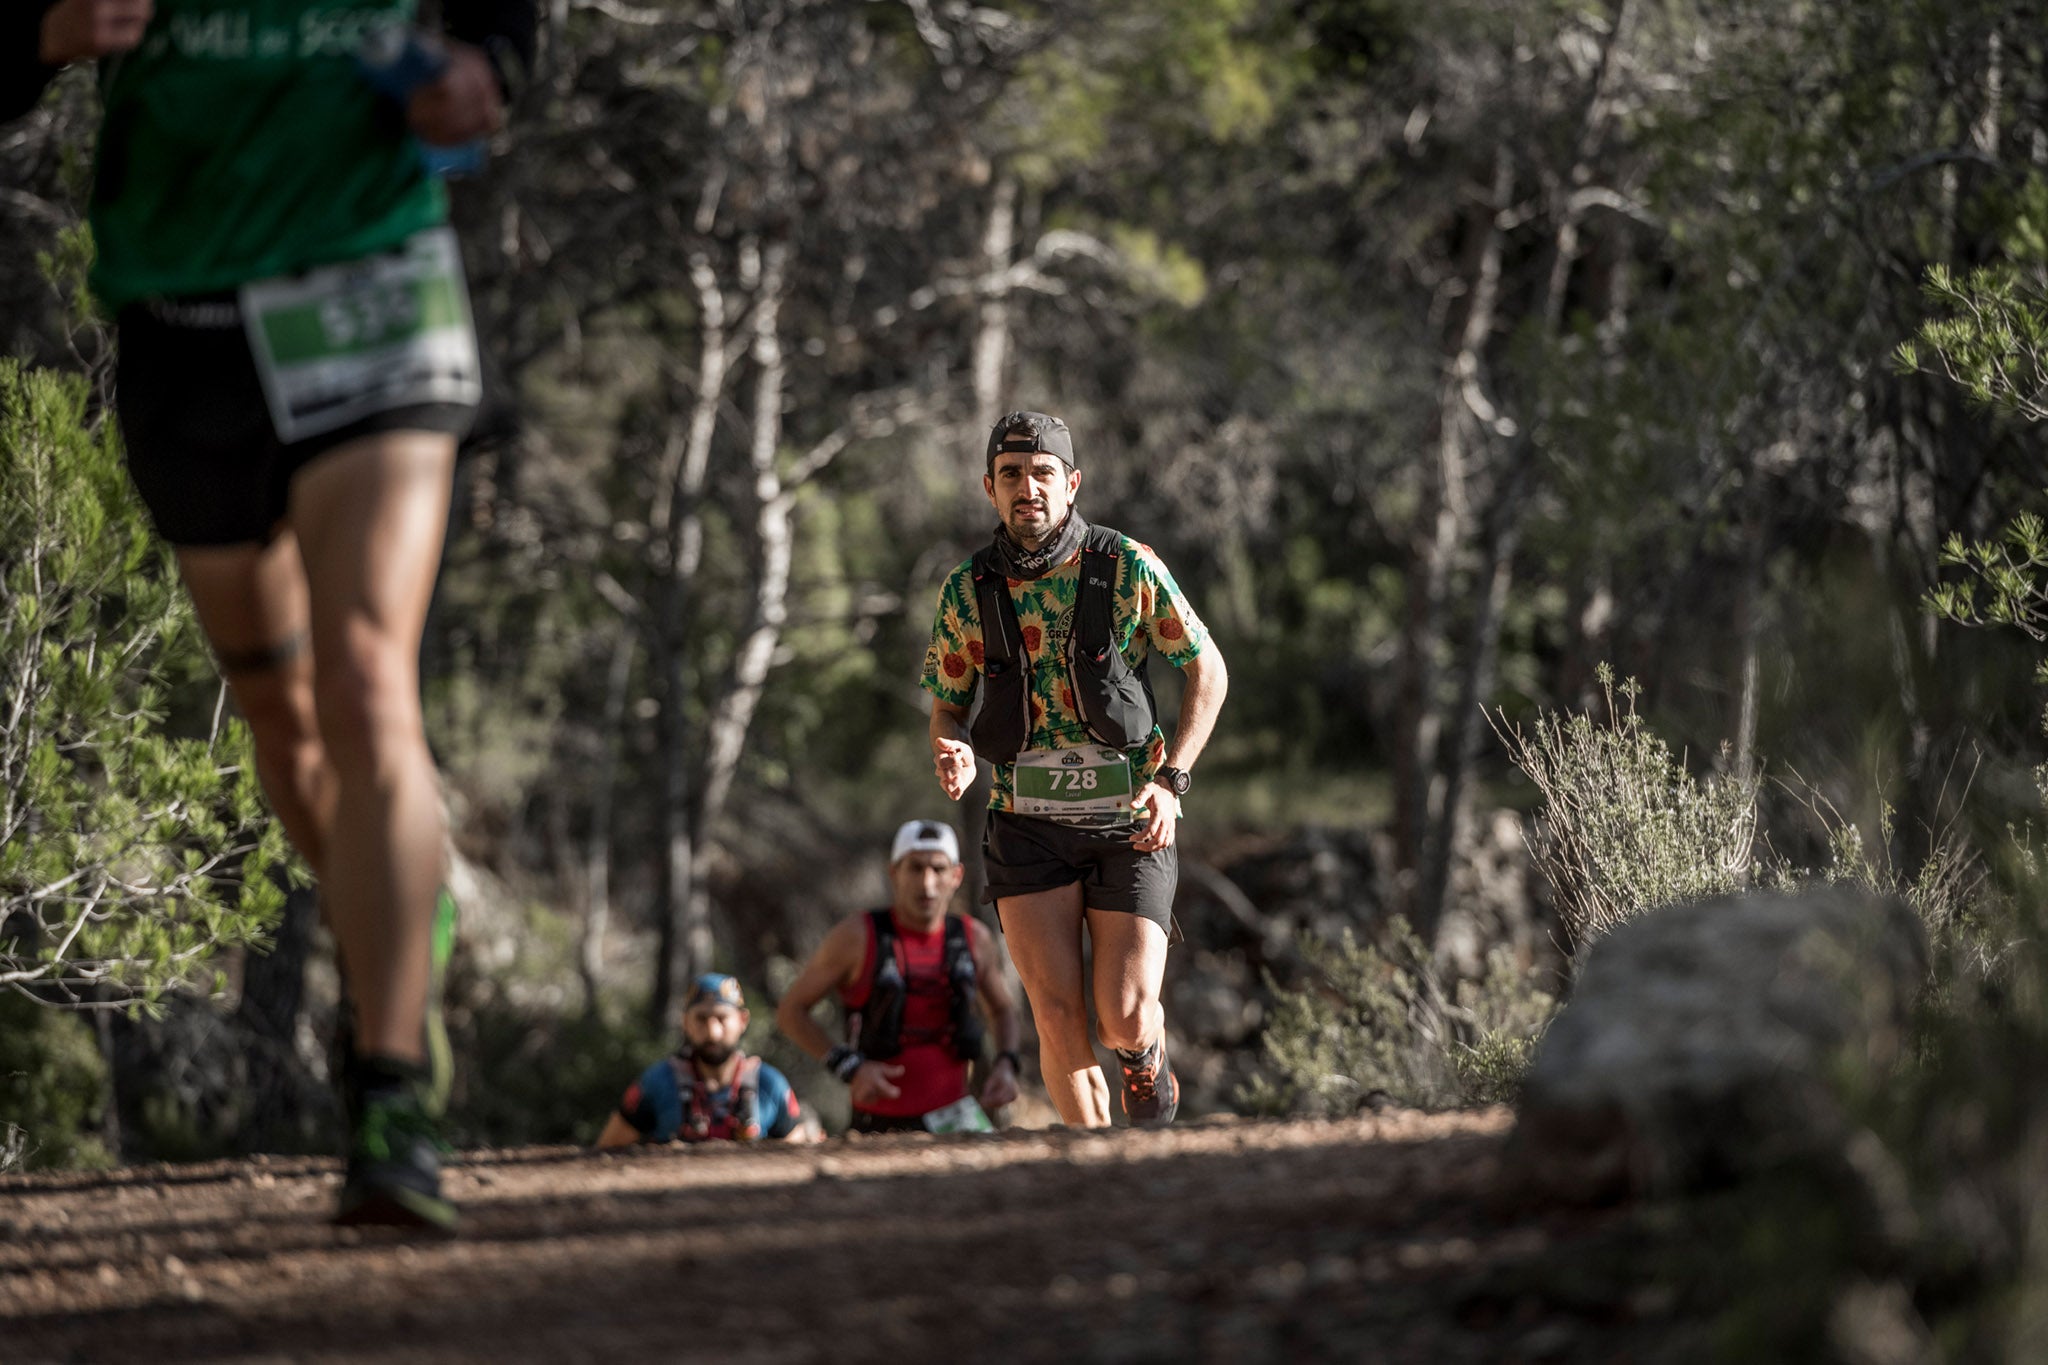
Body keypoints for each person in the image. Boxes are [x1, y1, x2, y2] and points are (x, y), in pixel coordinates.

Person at [5, 0, 535, 1230]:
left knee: (364, 679)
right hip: (186, 320)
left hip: (373, 281)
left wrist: (484, 66)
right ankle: (394, 932)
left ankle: (392, 1085)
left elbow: (497, 35)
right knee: (282, 721)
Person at [920, 411, 1227, 1129]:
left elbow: (1206, 669)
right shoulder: (967, 589)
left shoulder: (1127, 566)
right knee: (1056, 1016)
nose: (1027, 487)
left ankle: (1144, 1058)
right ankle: (1094, 1175)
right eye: (1011, 476)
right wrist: (952, 746)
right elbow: (947, 707)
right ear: (989, 490)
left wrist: (1172, 780)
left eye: (1042, 473)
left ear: (1071, 482)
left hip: (1131, 820)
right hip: (1026, 825)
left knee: (1120, 1015)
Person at [777, 821, 1023, 1134]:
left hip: (955, 1119)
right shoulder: (857, 936)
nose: (927, 882)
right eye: (915, 868)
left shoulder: (973, 938)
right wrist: (850, 1067)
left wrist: (1006, 1065)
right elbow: (791, 1012)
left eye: (938, 868)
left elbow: (1002, 1010)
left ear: (956, 876)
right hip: (876, 1123)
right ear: (894, 872)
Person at [596, 974, 811, 1148]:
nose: (713, 1032)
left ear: (742, 1021)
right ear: (685, 1022)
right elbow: (607, 1149)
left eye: (722, 1018)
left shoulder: (770, 1083)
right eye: (700, 1019)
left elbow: (795, 1152)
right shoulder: (656, 1082)